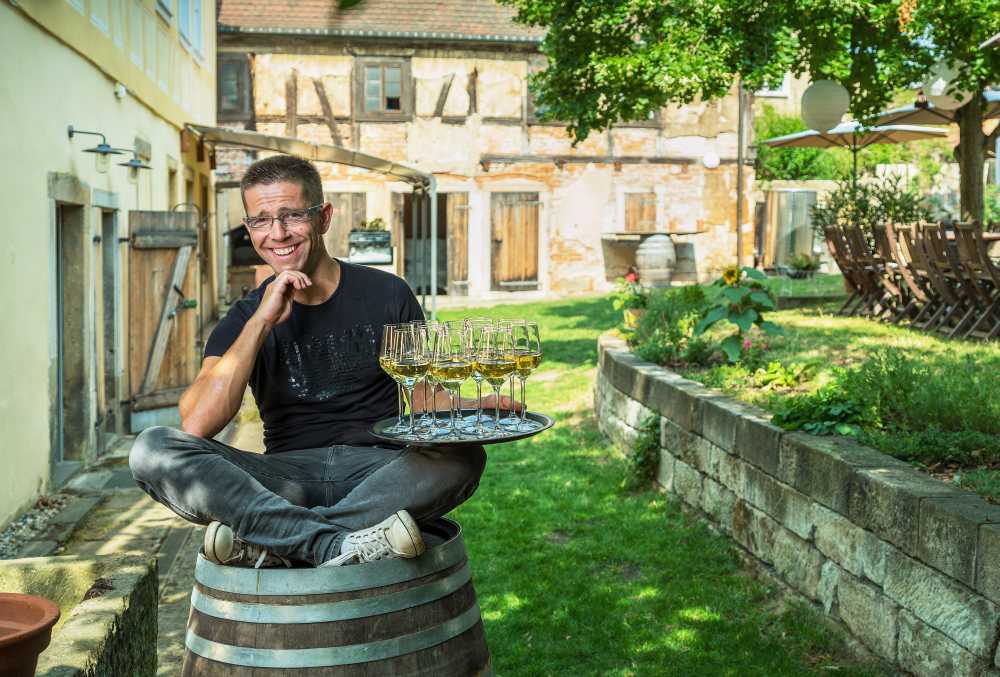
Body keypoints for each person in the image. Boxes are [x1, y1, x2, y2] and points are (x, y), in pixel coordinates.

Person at [129, 154, 511, 568]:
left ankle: (280, 541)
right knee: (152, 449)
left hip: (381, 472)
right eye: (261, 220)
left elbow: (419, 400)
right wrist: (263, 320)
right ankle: (332, 546)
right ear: (249, 228)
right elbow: (198, 424)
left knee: (463, 455)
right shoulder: (245, 317)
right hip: (283, 480)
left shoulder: (387, 293)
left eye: (291, 215)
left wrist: (473, 408)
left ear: (324, 217)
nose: (277, 233)